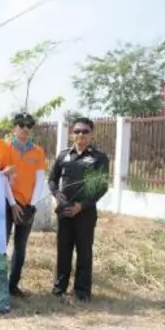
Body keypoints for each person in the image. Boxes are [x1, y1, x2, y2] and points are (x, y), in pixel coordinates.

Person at [48, 117, 110, 302]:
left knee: (84, 252)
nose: (80, 135)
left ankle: (82, 292)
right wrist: (56, 193)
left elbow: (101, 187)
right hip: (65, 211)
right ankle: (59, 289)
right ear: (71, 133)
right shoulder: (63, 155)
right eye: (77, 131)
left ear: (91, 134)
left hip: (85, 212)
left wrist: (81, 206)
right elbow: (52, 179)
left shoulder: (98, 157)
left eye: (84, 131)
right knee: (63, 251)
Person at [6, 113, 47, 297]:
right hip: (7, 203)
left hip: (27, 205)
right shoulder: (5, 148)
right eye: (20, 125)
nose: (24, 128)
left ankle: (12, 285)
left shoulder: (38, 151)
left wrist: (31, 204)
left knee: (20, 247)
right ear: (14, 128)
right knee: (1, 245)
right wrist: (13, 203)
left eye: (28, 125)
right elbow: (3, 178)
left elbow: (40, 180)